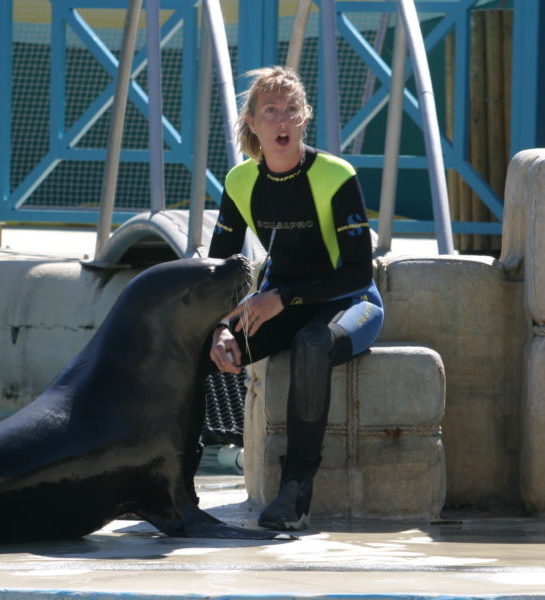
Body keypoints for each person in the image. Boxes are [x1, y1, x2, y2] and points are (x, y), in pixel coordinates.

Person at [203, 66, 384, 531]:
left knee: (311, 344)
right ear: (253, 123)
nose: (282, 121)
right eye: (270, 112)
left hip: (351, 302)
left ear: (304, 119)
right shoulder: (241, 181)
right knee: (198, 350)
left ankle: (295, 491)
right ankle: (178, 480)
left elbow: (358, 271)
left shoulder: (334, 175)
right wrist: (220, 326)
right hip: (278, 301)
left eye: (291, 111)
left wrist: (282, 297)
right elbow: (220, 269)